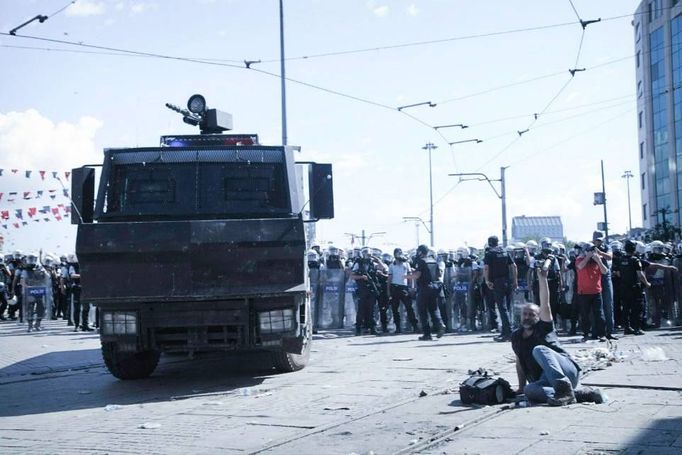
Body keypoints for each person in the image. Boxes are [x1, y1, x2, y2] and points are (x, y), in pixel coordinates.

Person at [513, 267, 603, 406]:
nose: (527, 317)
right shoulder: (517, 336)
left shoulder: (544, 327)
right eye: (525, 314)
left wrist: (542, 279)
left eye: (532, 314)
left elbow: (545, 304)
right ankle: (579, 394)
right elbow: (519, 362)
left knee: (539, 350)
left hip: (566, 371)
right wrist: (520, 388)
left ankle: (565, 388)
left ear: (539, 317)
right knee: (529, 390)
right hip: (545, 380)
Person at [405, 244, 444, 341]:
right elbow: (438, 274)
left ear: (420, 252)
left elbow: (417, 275)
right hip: (434, 287)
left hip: (424, 287)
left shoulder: (421, 261)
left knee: (422, 311)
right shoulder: (433, 261)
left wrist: (405, 277)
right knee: (434, 309)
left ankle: (427, 334)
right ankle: (440, 324)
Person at [484, 235, 517, 342]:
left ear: (489, 243)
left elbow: (486, 268)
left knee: (502, 308)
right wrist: (515, 280)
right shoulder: (505, 252)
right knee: (506, 307)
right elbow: (513, 266)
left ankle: (508, 333)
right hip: (507, 281)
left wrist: (487, 280)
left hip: (497, 282)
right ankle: (505, 331)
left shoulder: (489, 254)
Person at [575, 242, 608, 342]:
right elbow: (580, 266)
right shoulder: (580, 259)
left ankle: (602, 334)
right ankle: (586, 333)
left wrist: (598, 260)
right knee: (585, 314)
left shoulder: (597, 260)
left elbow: (605, 271)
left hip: (596, 291)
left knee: (599, 314)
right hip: (583, 292)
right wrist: (587, 257)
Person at [388, 248, 419, 334]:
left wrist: (412, 287)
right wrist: (388, 290)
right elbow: (389, 279)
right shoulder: (392, 265)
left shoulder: (406, 264)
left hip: (404, 287)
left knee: (409, 308)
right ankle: (398, 327)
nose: (400, 255)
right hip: (395, 287)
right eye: (398, 253)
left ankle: (415, 326)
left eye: (401, 253)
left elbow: (410, 276)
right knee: (395, 309)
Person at [592, 231, 617, 339]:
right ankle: (597, 332)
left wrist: (600, 253)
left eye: (600, 240)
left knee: (608, 305)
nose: (599, 242)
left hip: (605, 278)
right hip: (594, 278)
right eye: (597, 240)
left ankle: (610, 331)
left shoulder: (607, 247)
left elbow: (610, 257)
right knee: (596, 307)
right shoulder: (590, 247)